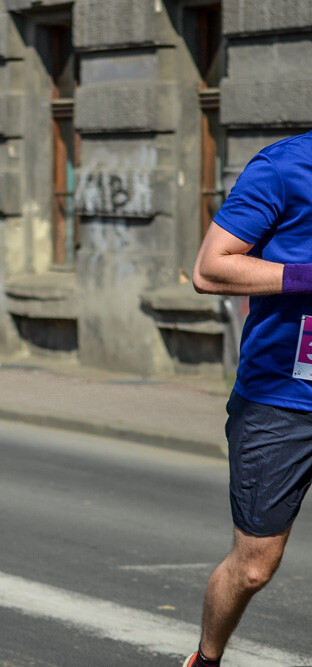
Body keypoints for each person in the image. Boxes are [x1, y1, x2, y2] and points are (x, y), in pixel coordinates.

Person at [189, 130, 312, 667]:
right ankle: (206, 660)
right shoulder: (285, 167)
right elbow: (211, 267)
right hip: (281, 398)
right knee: (255, 564)